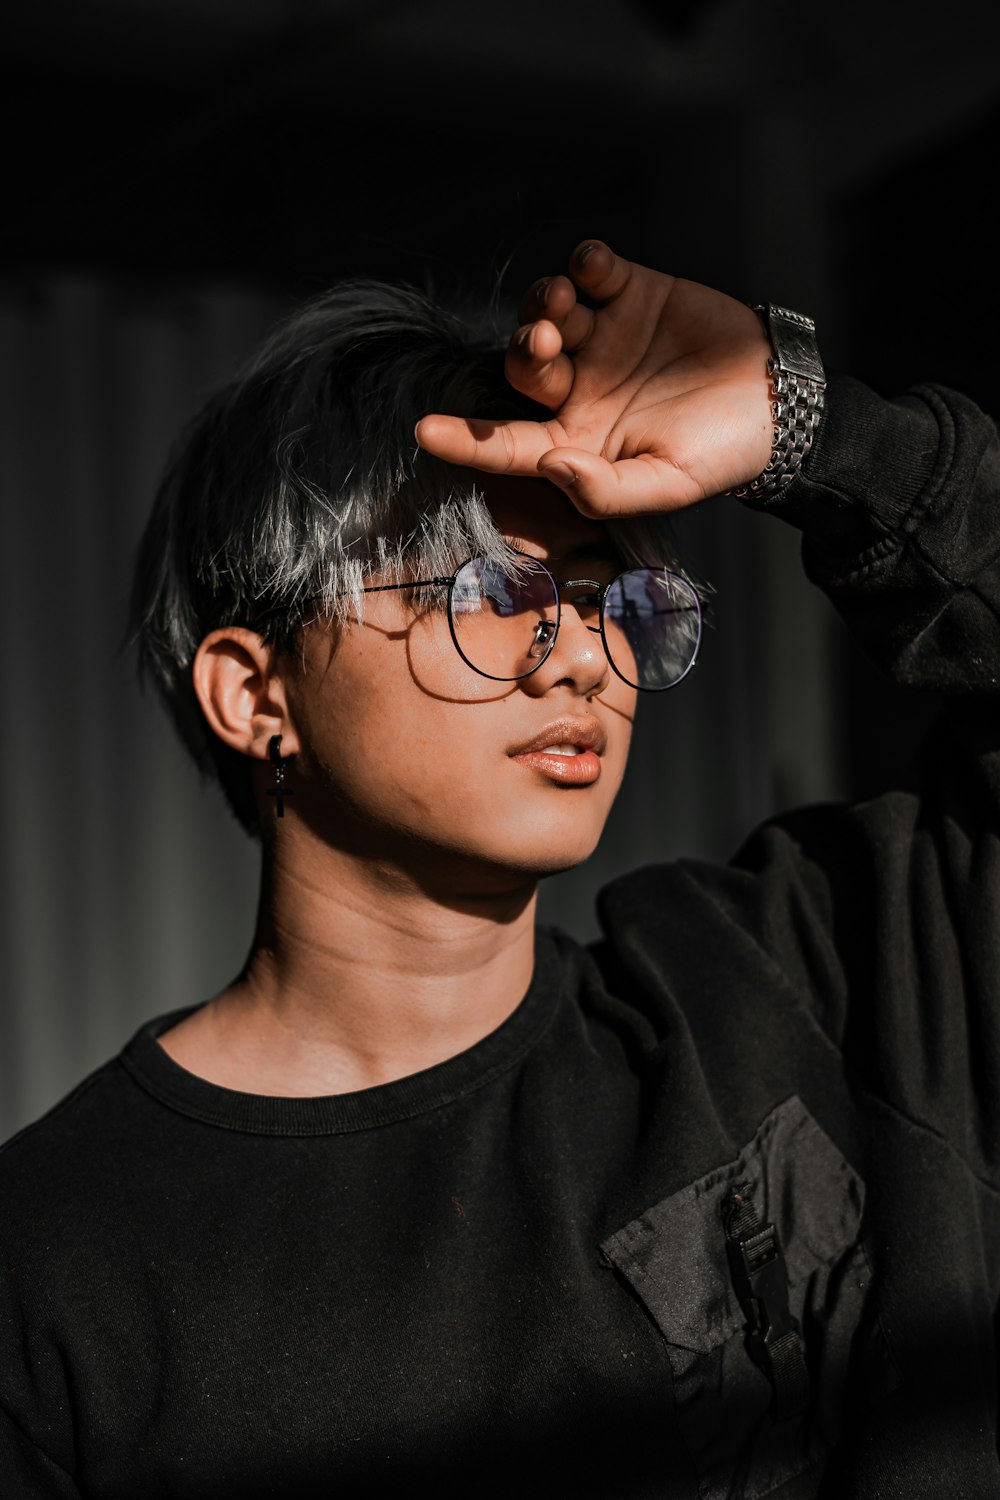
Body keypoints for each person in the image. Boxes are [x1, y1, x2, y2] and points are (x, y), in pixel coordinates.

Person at [1, 238, 998, 1499]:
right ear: (256, 695)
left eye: (608, 598)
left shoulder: (797, 982)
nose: (582, 655)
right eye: (492, 589)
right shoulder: (58, 1265)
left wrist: (819, 438)